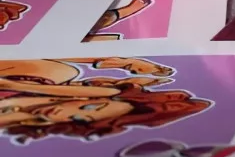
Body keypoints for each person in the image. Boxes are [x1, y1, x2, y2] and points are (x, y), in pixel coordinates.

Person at [0, 57, 210, 143]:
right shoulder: (48, 77)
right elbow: (108, 92)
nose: (66, 114)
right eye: (89, 105)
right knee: (61, 71)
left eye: (79, 119)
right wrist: (120, 62)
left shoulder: (20, 120)